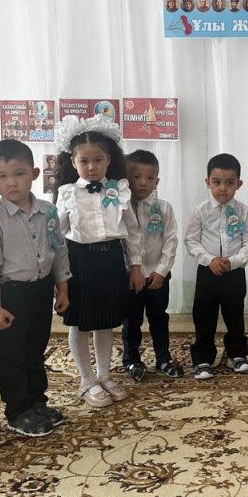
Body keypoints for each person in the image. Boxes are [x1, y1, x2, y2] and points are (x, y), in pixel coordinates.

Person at [0, 139, 71, 437]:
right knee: (11, 355)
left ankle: (36, 402)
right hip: (11, 296)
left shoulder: (48, 212)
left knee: (35, 350)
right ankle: (17, 410)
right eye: (2, 176)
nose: (12, 182)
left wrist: (63, 289)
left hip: (41, 291)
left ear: (34, 173)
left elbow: (59, 251)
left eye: (19, 174)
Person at [52, 114, 144, 407]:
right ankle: (87, 380)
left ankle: (104, 375)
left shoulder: (120, 190)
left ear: (108, 160)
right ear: (73, 161)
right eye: (84, 161)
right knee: (79, 322)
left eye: (98, 160)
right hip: (79, 263)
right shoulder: (67, 193)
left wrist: (136, 266)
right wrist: (59, 276)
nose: (91, 167)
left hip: (111, 261)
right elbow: (57, 236)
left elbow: (132, 231)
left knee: (105, 321)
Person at [184, 153, 248, 379]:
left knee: (234, 314)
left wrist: (232, 262)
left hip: (233, 273)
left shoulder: (244, 212)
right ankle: (203, 358)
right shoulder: (201, 211)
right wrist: (210, 260)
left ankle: (237, 354)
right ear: (208, 182)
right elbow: (191, 241)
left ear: (239, 184)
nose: (223, 188)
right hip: (207, 272)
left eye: (229, 183)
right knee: (203, 315)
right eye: (217, 182)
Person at [121, 149, 183, 380]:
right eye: (137, 176)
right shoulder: (120, 207)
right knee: (131, 320)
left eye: (149, 178)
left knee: (159, 318)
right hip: (131, 277)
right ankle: (132, 360)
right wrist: (130, 270)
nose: (143, 183)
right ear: (126, 178)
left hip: (158, 275)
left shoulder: (164, 208)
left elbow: (171, 241)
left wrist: (161, 271)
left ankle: (163, 358)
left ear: (157, 181)